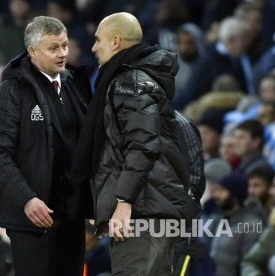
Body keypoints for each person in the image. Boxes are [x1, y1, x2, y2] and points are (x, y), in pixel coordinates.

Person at [73, 12, 198, 275]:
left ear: (116, 41)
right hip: (148, 210)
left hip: (143, 213)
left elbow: (143, 144)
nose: (93, 47)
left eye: (98, 40)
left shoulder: (129, 82)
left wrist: (123, 202)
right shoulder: (136, 80)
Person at [0, 16, 91, 276]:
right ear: (32, 51)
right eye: (53, 48)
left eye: (65, 46)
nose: (62, 53)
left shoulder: (75, 85)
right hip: (32, 218)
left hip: (72, 215)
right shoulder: (10, 92)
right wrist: (27, 199)